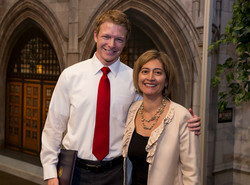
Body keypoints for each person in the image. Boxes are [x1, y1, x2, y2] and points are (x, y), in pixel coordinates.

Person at [40, 10, 201, 185]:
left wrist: (186, 121)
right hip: (76, 173)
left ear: (125, 42)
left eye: (119, 39)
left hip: (117, 174)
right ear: (95, 36)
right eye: (106, 36)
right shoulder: (70, 76)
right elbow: (53, 128)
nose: (111, 44)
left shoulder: (134, 80)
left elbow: (154, 113)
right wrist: (50, 173)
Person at [122, 50, 201, 185]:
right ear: (138, 77)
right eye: (145, 71)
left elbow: (191, 174)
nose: (150, 77)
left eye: (158, 72)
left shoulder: (181, 117)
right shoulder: (132, 110)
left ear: (166, 81)